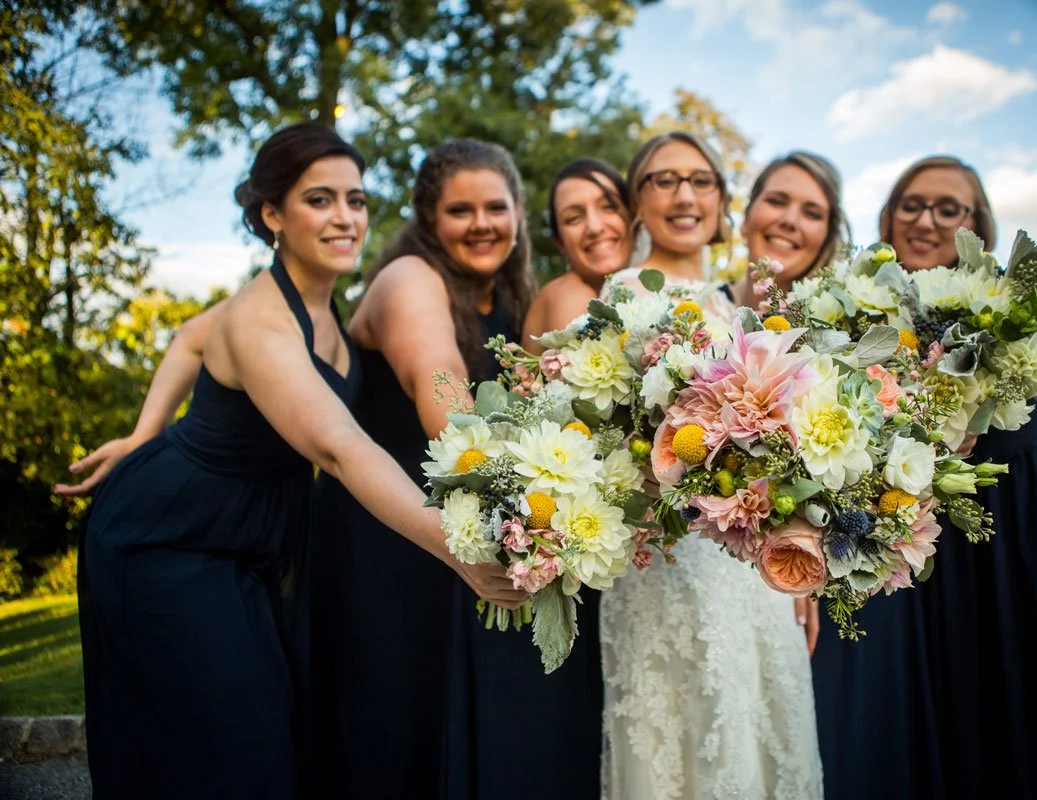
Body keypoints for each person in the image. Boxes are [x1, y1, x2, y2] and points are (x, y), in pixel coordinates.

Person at [58, 123, 523, 800]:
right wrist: (456, 545)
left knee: (270, 730)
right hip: (170, 536)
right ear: (273, 215)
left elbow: (189, 339)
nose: (345, 217)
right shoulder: (261, 318)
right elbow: (340, 446)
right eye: (320, 199)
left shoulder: (319, 302)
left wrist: (141, 431)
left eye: (356, 200)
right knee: (235, 740)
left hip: (254, 537)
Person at [810, 154, 1037, 800]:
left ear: (975, 226)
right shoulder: (857, 308)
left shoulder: (1007, 302)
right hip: (929, 527)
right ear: (889, 215)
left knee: (1029, 695)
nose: (926, 220)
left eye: (947, 208)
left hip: (1035, 508)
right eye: (911, 204)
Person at [305, 138, 604, 800]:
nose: (481, 224)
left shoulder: (512, 300)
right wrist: (518, 509)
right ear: (428, 220)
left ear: (518, 214)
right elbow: (443, 389)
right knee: (395, 729)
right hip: (386, 538)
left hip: (458, 530)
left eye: (495, 207)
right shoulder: (410, 278)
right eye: (459, 210)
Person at [599, 131, 823, 800]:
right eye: (663, 181)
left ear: (723, 201)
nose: (684, 195)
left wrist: (797, 553)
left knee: (764, 727)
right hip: (664, 560)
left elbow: (783, 454)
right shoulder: (617, 297)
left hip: (750, 562)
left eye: (700, 181)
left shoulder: (742, 306)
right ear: (637, 202)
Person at [520, 158, 633, 353]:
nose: (595, 227)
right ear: (560, 242)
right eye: (573, 218)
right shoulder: (570, 295)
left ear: (632, 216)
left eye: (609, 207)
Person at [730, 150, 848, 305]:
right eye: (776, 201)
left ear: (827, 238)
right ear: (746, 216)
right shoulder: (694, 307)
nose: (790, 220)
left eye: (812, 213)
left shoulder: (849, 326)